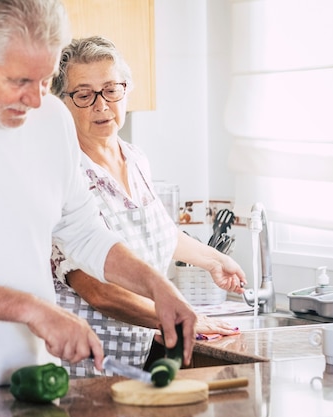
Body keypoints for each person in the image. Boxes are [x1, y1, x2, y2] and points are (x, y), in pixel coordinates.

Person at [0, 0, 205, 397]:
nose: (35, 99)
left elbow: (84, 233)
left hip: (34, 381)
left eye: (45, 81)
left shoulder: (52, 119)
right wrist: (34, 309)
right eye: (19, 81)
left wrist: (158, 287)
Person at [50, 36, 247, 377]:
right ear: (62, 103)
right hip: (76, 366)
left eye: (112, 89)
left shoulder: (136, 158)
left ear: (126, 90)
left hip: (132, 359)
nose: (101, 105)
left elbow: (158, 232)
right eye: (84, 95)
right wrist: (180, 315)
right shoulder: (62, 173)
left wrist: (214, 259)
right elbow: (96, 289)